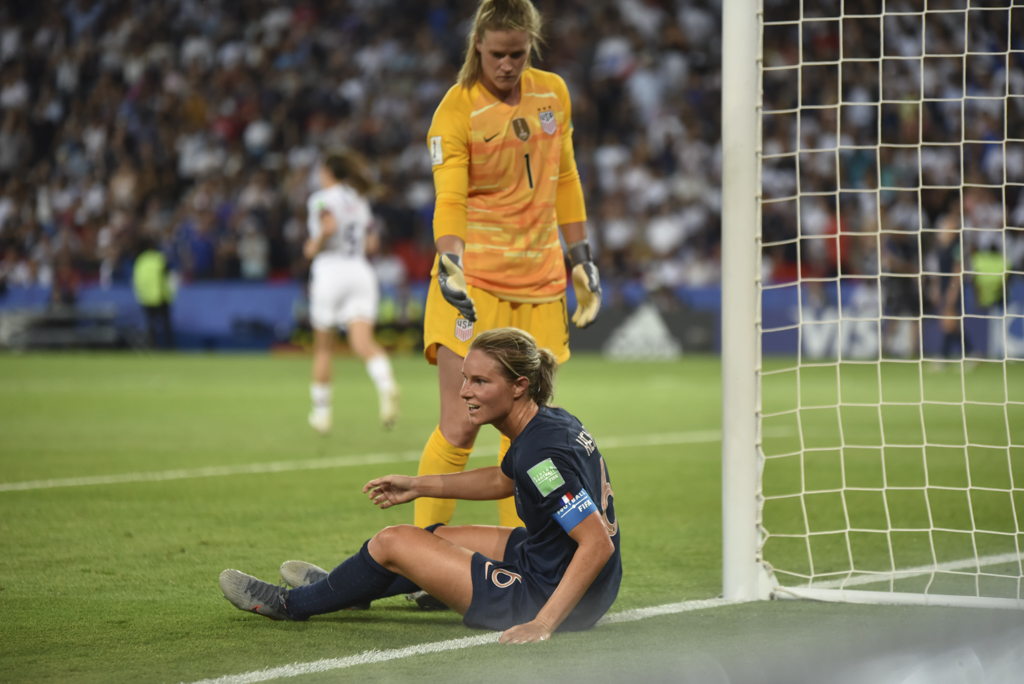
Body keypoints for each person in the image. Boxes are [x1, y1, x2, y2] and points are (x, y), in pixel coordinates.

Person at [219, 327, 621, 642]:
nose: (465, 391)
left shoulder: (539, 455)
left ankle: (290, 604)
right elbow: (504, 478)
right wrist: (419, 485)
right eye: (466, 378)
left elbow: (596, 541)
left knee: (394, 542)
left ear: (519, 386)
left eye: (480, 381)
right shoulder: (549, 421)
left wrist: (544, 622)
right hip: (567, 573)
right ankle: (347, 589)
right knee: (438, 536)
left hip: (546, 596)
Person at [416, 0, 602, 532]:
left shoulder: (554, 93)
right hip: (472, 286)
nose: (507, 65)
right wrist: (450, 258)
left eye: (518, 54)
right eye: (497, 54)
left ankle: (517, 558)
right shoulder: (456, 111)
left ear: (531, 47)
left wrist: (581, 259)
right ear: (478, 45)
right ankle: (421, 555)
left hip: (541, 286)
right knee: (459, 424)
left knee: (524, 431)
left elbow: (565, 179)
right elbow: (448, 196)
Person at [304, 150, 399, 433]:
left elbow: (327, 227)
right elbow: (372, 244)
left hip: (331, 271)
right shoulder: (360, 201)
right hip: (360, 272)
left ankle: (321, 414)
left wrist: (316, 242)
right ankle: (387, 385)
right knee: (362, 342)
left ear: (328, 173)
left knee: (323, 347)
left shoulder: (321, 199)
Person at [132, 236, 175, 349]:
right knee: (166, 325)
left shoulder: (140, 260)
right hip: (161, 296)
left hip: (146, 298)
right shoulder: (159, 258)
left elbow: (137, 280)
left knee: (150, 325)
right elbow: (168, 275)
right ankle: (169, 348)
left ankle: (152, 347)